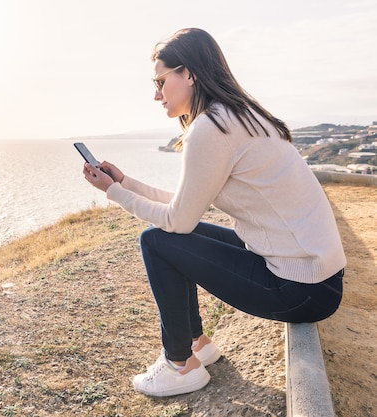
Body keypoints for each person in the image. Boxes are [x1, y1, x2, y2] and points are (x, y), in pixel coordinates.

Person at [82, 28, 346, 397]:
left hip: (300, 287)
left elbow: (177, 220)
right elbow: (184, 203)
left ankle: (180, 364)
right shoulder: (237, 115)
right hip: (315, 276)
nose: (156, 94)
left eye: (160, 81)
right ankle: (197, 345)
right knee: (173, 237)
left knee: (156, 241)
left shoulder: (211, 127)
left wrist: (114, 193)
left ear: (188, 74)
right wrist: (124, 183)